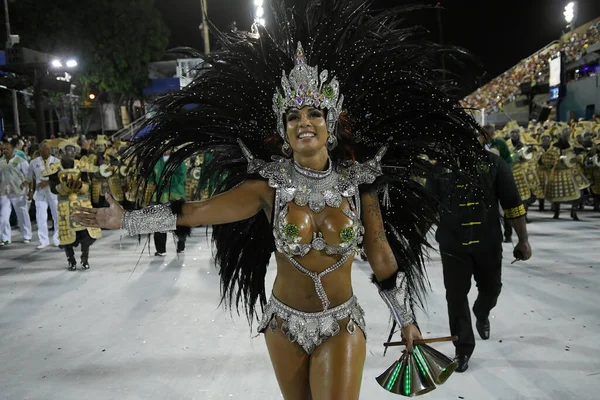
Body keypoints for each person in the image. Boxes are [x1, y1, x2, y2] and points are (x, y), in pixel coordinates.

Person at [72, 1, 490, 398]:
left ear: (331, 123)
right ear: (284, 129)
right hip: (283, 325)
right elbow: (195, 212)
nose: (304, 123)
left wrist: (406, 321)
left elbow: (379, 253)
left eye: (314, 114)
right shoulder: (267, 188)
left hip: (340, 323)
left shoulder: (358, 186)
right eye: (293, 116)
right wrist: (126, 220)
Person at [426, 134, 532, 373]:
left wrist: (523, 239)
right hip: (453, 246)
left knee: (492, 289)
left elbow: (513, 203)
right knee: (455, 295)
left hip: (488, 243)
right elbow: (427, 207)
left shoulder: (495, 164)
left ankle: (482, 311)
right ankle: (463, 348)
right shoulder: (441, 170)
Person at [45, 141, 101, 270]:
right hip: (65, 204)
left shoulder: (81, 166)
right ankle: (71, 260)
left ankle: (85, 258)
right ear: (62, 153)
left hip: (81, 202)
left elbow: (87, 184)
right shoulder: (55, 168)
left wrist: (80, 186)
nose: (71, 153)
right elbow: (53, 188)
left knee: (86, 233)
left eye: (73, 150)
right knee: (66, 234)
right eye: (68, 150)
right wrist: (64, 187)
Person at [149, 149, 187, 256]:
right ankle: (161, 249)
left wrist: (168, 181)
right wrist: (151, 182)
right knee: (159, 222)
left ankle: (181, 245)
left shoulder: (178, 160)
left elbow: (182, 176)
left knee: (178, 221)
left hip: (175, 194)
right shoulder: (157, 160)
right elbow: (151, 176)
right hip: (160, 196)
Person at [28, 141, 61, 249]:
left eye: (50, 148)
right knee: (41, 217)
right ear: (41, 149)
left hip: (53, 191)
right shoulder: (33, 162)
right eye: (47, 148)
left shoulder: (56, 161)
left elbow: (61, 177)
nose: (49, 150)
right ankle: (43, 240)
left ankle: (57, 238)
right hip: (40, 192)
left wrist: (48, 182)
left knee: (57, 215)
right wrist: (30, 190)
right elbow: (30, 178)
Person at [0, 138, 33, 245]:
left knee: (22, 214)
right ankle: (5, 237)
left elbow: (29, 175)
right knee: (3, 216)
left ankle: (27, 235)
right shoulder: (1, 161)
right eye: (4, 149)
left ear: (13, 149)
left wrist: (26, 184)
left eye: (7, 149)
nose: (5, 151)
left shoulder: (20, 161)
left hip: (18, 191)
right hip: (4, 192)